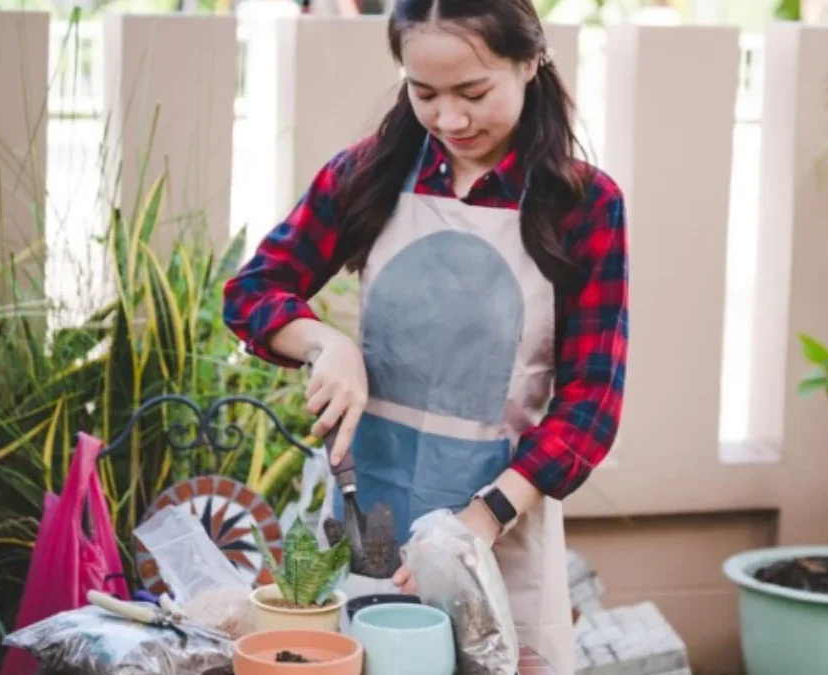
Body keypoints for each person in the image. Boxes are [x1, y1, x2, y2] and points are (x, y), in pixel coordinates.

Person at [222, 0, 628, 671]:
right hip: (364, 522)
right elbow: (253, 292)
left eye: (474, 92)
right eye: (424, 92)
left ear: (531, 62)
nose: (449, 119)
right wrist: (326, 343)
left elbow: (591, 406)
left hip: (500, 527)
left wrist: (484, 518)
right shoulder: (367, 176)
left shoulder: (583, 205)